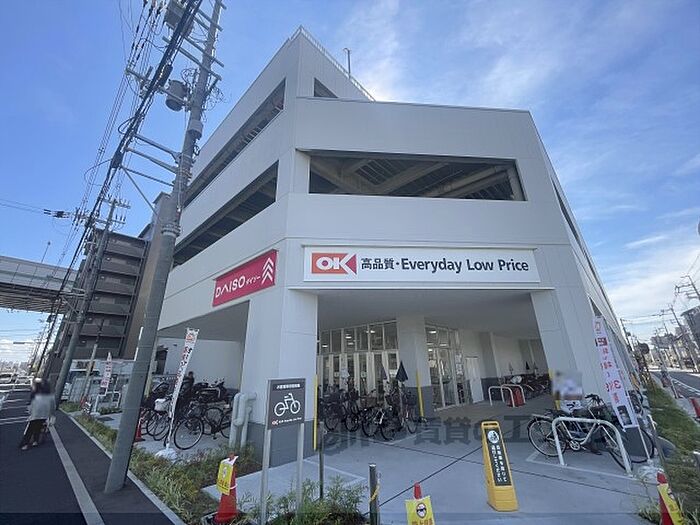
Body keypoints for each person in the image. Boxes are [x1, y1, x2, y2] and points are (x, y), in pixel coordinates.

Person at [20, 380, 55, 450]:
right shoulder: (51, 396)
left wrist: (30, 412)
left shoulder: (36, 395)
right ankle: (35, 441)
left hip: (35, 415)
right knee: (38, 427)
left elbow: (31, 406)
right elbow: (53, 407)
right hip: (44, 415)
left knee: (30, 429)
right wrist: (50, 415)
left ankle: (25, 444)